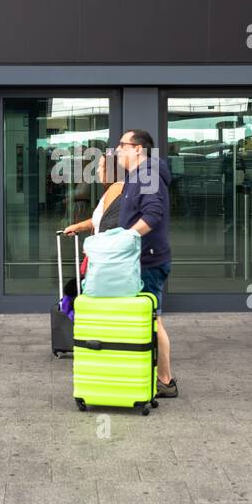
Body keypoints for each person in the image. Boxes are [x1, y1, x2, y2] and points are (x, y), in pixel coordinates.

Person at [115, 129, 177, 398]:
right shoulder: (137, 175)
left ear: (138, 149)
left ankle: (165, 380)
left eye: (122, 145)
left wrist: (126, 238)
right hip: (139, 259)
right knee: (148, 319)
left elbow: (153, 214)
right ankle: (152, 374)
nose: (117, 150)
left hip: (148, 261)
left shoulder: (148, 174)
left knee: (154, 320)